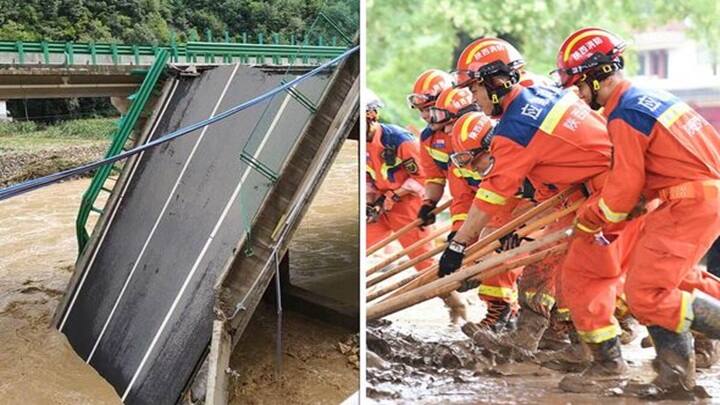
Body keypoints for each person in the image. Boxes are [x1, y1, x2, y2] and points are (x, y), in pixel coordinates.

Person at [439, 37, 643, 388]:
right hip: (580, 190)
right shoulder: (536, 90)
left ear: (497, 82)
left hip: (609, 191)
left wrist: (458, 248)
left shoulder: (517, 130)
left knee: (597, 277)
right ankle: (551, 342)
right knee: (543, 263)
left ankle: (610, 359)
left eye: (475, 89)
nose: (473, 99)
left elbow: (492, 198)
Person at [555, 27, 720, 393]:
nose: (578, 95)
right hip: (698, 198)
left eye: (579, 85)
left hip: (687, 203)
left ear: (597, 76)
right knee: (677, 281)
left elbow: (623, 188)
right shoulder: (649, 97)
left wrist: (591, 219)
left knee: (646, 292)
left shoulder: (624, 112)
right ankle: (674, 375)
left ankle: (676, 374)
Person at [365, 89, 467, 322]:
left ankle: (455, 304)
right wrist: (371, 202)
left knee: (424, 261)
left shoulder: (400, 141)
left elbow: (423, 179)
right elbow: (368, 177)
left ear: (371, 116)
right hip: (382, 205)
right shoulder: (362, 144)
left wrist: (395, 195)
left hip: (408, 206)